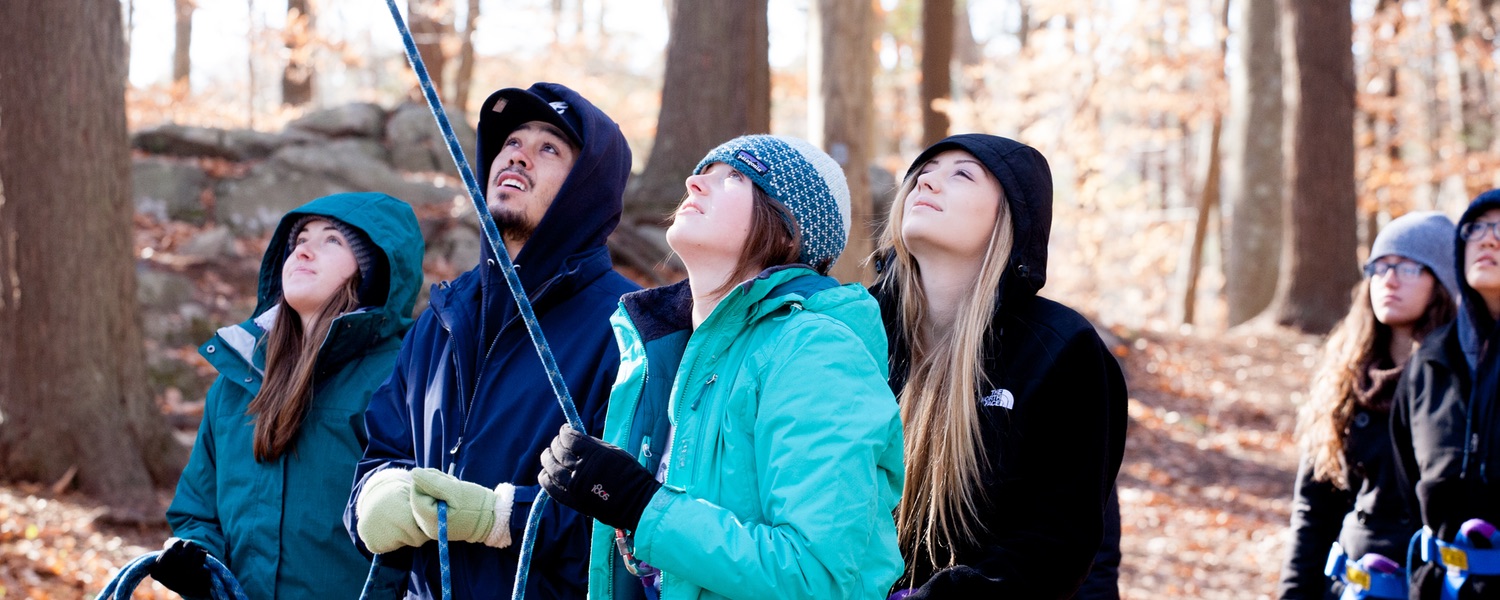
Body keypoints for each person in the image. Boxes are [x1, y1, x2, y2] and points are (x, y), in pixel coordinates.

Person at [536, 134, 906, 600]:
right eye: (702, 171)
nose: (694, 182)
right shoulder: (665, 351)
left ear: (790, 229)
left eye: (733, 176)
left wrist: (641, 505)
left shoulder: (815, 350)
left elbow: (817, 577)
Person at [344, 82, 639, 598]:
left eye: (549, 148)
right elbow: (381, 451)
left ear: (586, 189)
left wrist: (502, 518)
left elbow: (631, 526)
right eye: (511, 143)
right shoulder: (443, 318)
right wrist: (374, 496)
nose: (518, 156)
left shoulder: (626, 330)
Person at [870, 134, 1128, 599]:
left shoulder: (1063, 350)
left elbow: (1053, 543)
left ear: (1010, 216)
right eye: (922, 173)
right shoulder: (854, 332)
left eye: (962, 174)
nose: (926, 182)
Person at [151, 192, 424, 599]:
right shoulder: (236, 381)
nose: (305, 252)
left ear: (372, 271)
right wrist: (199, 565)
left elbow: (422, 527)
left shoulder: (400, 378)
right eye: (300, 241)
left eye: (332, 240)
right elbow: (196, 511)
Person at [1279, 212, 1458, 600]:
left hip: (1431, 583)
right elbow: (1314, 508)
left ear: (1443, 282)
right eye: (1380, 266)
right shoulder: (1345, 377)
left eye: (1409, 267)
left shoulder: (1460, 377)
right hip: (1352, 584)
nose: (1389, 279)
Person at [1393, 192, 1500, 600]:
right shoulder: (1428, 364)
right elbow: (1410, 484)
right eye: (1476, 229)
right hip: (1442, 586)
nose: (1488, 240)